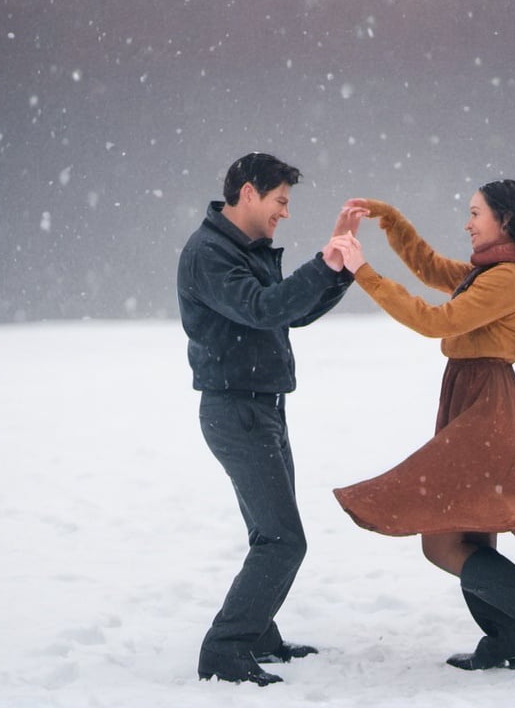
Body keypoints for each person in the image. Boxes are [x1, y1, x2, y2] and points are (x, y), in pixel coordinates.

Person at [327, 180, 515, 673]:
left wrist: (362, 273)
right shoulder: (491, 273)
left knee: (441, 542)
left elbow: (436, 321)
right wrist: (390, 219)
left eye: (476, 213)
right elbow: (432, 268)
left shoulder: (507, 280)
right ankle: (508, 641)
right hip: (476, 399)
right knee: (473, 536)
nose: (468, 222)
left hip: (488, 407)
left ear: (506, 221)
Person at [177, 152, 358, 686]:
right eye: (280, 201)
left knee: (270, 533)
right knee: (283, 540)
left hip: (263, 408)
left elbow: (288, 311)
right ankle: (225, 648)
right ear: (250, 193)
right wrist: (321, 263)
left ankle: (257, 633)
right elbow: (262, 307)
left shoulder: (243, 249)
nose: (285, 213)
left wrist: (339, 269)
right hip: (237, 411)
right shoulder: (210, 254)